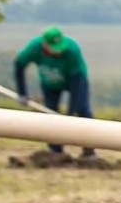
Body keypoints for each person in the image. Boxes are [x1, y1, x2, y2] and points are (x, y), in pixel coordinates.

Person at [14, 27, 95, 158]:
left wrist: (71, 112)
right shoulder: (34, 48)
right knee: (50, 112)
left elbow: (76, 84)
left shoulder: (72, 50)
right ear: (44, 44)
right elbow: (19, 64)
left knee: (82, 109)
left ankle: (89, 149)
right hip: (50, 83)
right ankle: (56, 151)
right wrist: (22, 93)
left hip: (75, 79)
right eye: (54, 48)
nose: (58, 51)